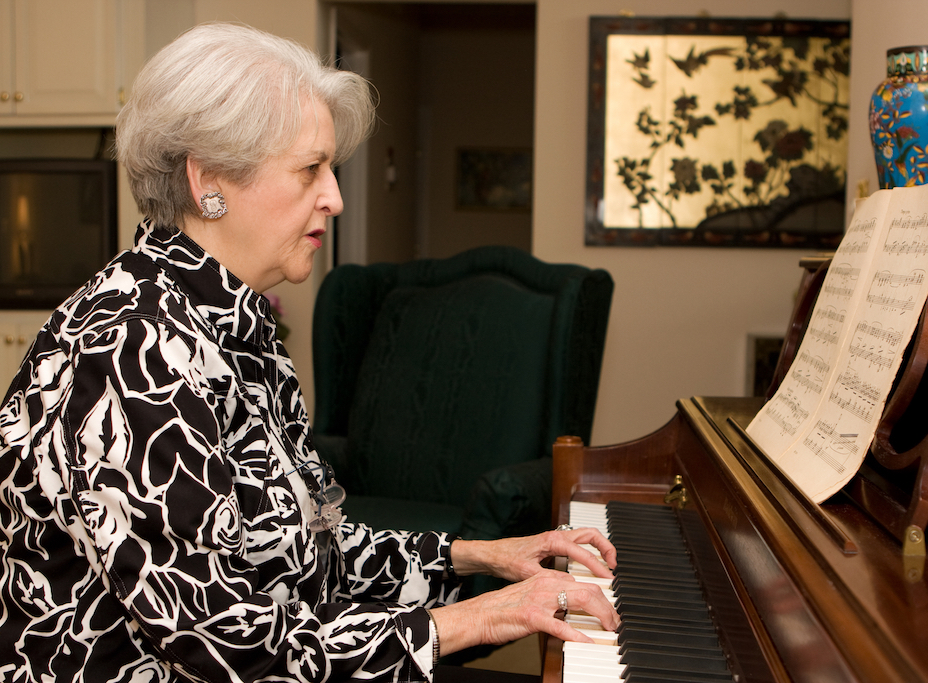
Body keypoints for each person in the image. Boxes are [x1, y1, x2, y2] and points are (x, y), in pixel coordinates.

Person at [0, 22, 618, 683]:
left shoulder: (234, 324)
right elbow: (219, 637)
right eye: (309, 169)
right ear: (208, 181)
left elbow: (306, 554)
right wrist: (480, 617)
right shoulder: (132, 348)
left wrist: (483, 558)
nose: (337, 197)